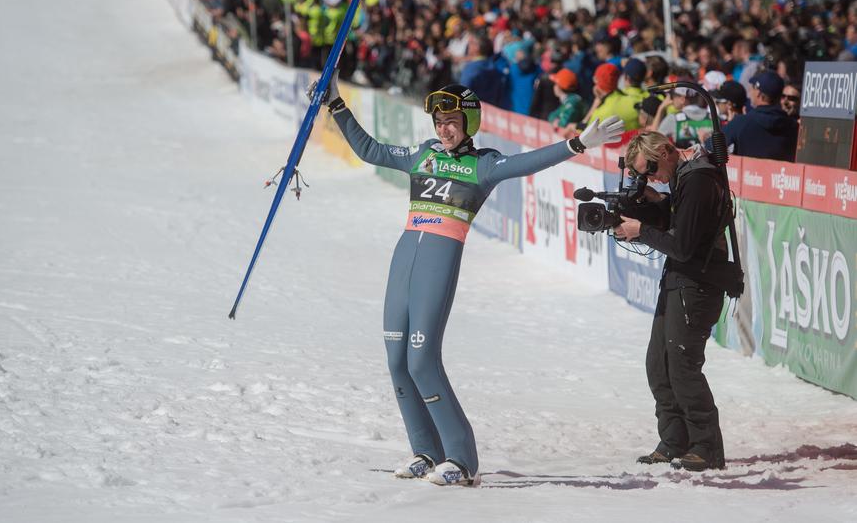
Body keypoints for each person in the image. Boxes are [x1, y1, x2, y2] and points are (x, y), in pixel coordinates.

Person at [317, 77, 623, 486]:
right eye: (439, 121)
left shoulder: (484, 164)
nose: (444, 129)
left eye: (452, 121)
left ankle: (461, 458)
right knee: (396, 362)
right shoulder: (423, 154)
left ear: (469, 122)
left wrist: (577, 144)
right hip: (404, 253)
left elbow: (528, 162)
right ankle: (426, 451)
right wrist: (336, 104)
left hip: (438, 259)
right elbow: (370, 149)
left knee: (422, 361)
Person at [615, 131, 737, 472]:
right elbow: (681, 226)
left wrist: (641, 231)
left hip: (697, 285)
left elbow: (683, 246)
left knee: (682, 367)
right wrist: (656, 204)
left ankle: (706, 446)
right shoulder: (685, 180)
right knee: (659, 364)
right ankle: (674, 439)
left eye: (651, 167)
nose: (651, 175)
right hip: (680, 281)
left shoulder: (698, 180)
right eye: (643, 173)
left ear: (667, 150)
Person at [721, 70, 799, 162]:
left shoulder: (740, 123)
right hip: (783, 175)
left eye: (753, 87)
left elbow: (711, 146)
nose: (750, 91)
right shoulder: (794, 127)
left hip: (748, 175)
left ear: (759, 93)